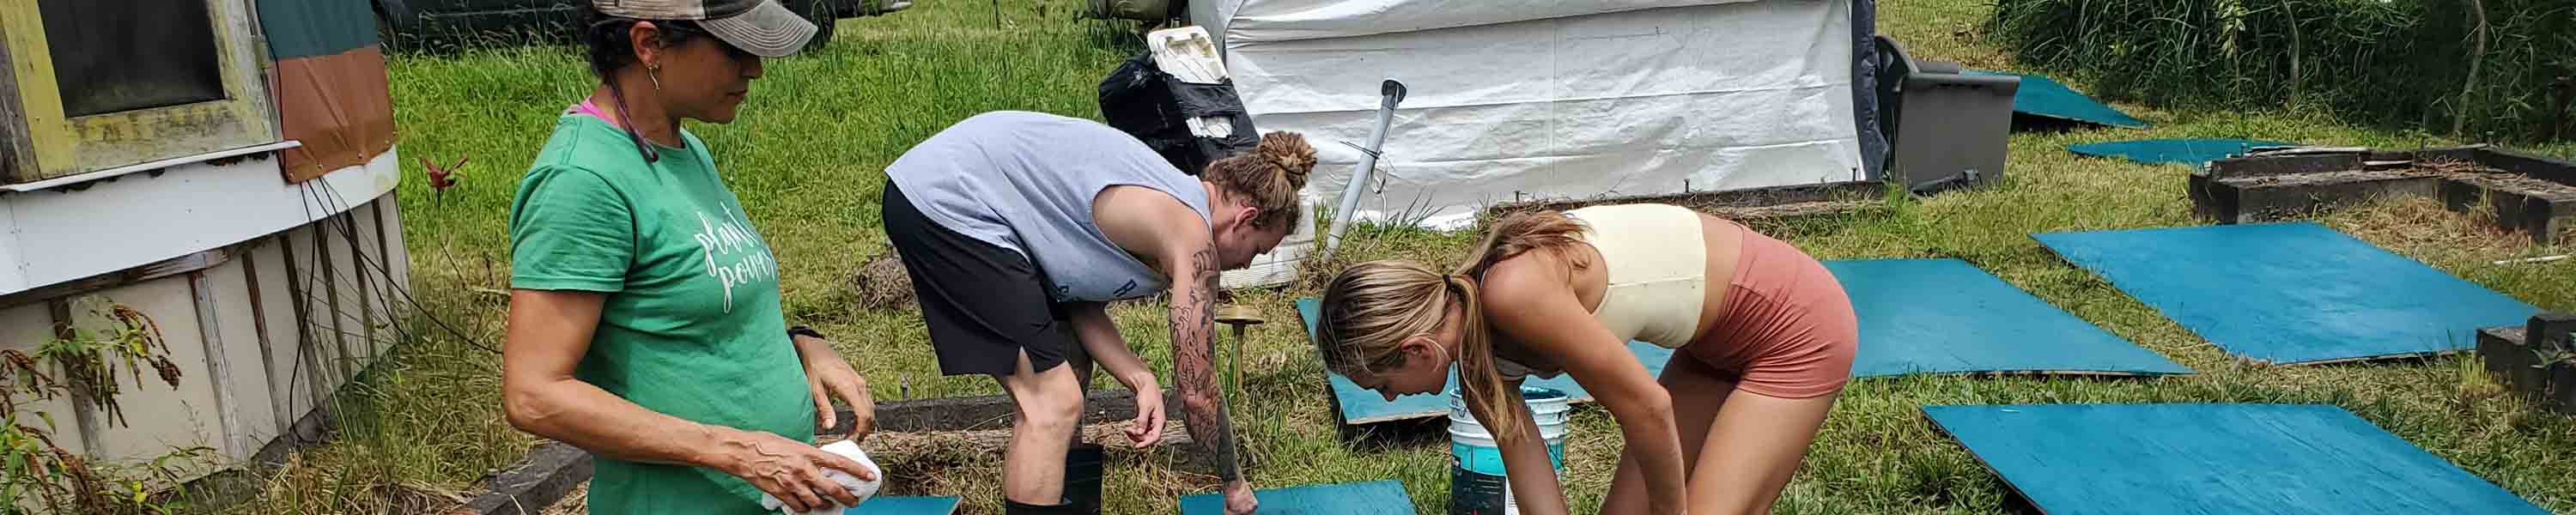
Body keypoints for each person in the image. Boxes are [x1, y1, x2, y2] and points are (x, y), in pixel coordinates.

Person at [500, 2, 881, 513]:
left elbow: (695, 305)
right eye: (733, 49)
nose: (755, 68)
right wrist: (740, 452)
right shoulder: (583, 183)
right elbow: (534, 394)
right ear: (648, 44)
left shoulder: (684, 149)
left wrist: (803, 345)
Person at [879, 111, 1315, 515]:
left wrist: (1139, 376)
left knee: (1069, 368)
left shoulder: (1168, 202)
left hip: (968, 193)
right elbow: (1197, 391)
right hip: (953, 199)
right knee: (1051, 402)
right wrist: (1234, 487)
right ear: (1245, 218)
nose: (1246, 265)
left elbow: (1078, 303)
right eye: (1258, 250)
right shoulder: (1190, 234)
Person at [1314, 203, 1859, 515]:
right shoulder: (1481, 373)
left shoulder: (1512, 293)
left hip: (1795, 325)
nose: (1390, 398)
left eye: (1384, 383)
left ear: (1418, 348)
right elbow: (1539, 498)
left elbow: (1648, 408)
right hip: (1711, 348)